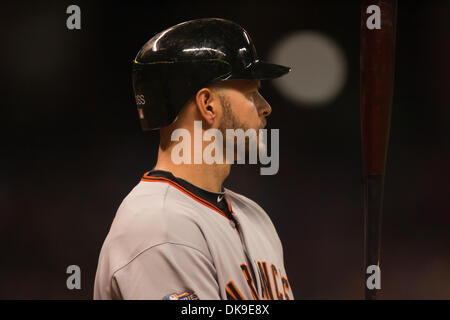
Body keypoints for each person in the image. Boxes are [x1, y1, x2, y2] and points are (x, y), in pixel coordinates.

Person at [94, 18, 293, 300]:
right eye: (251, 92)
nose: (266, 107)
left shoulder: (254, 215)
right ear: (208, 105)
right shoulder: (158, 224)